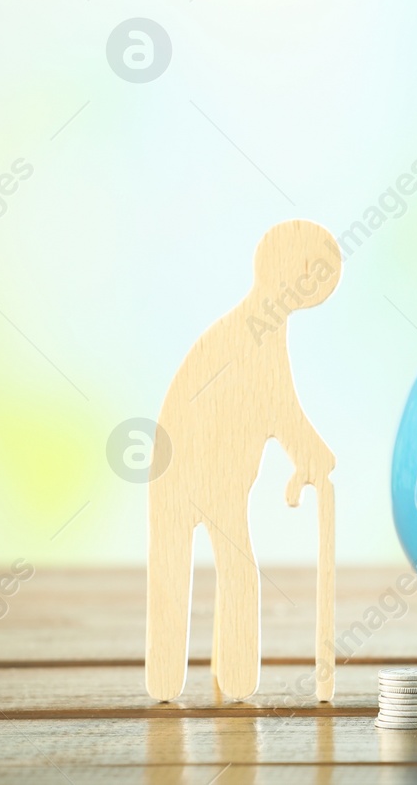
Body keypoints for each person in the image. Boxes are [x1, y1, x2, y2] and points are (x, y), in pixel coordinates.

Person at [146, 220, 340, 702]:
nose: (314, 285)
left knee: (189, 567)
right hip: (197, 471)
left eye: (322, 276)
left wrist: (310, 453)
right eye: (309, 271)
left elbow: (276, 408)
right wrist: (311, 451)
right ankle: (216, 680)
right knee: (224, 568)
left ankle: (198, 677)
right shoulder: (254, 330)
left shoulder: (258, 327)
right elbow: (279, 408)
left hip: (205, 475)